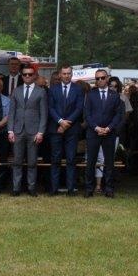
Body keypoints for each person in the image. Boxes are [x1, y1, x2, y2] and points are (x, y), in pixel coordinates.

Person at [8, 65, 48, 197]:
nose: (27, 76)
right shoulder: (16, 91)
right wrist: (10, 130)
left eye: (30, 74)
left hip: (34, 131)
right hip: (18, 130)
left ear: (34, 75)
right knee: (17, 161)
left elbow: (44, 114)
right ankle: (16, 188)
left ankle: (31, 188)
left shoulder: (41, 92)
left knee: (32, 162)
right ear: (22, 75)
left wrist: (41, 132)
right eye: (25, 74)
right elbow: (11, 112)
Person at [84, 69, 124, 197]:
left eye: (102, 77)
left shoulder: (115, 95)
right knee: (91, 161)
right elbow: (87, 114)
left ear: (107, 78)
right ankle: (89, 189)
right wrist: (96, 128)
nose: (100, 80)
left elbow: (118, 114)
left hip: (109, 133)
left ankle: (109, 189)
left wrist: (109, 128)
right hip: (93, 132)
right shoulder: (90, 94)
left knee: (109, 162)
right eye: (97, 78)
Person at [48, 65, 83, 196]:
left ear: (72, 74)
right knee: (55, 159)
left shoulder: (78, 89)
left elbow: (79, 108)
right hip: (56, 128)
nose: (67, 76)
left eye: (69, 73)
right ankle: (54, 189)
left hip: (72, 129)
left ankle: (71, 189)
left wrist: (66, 123)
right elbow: (50, 108)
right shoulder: (53, 89)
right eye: (64, 73)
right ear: (60, 75)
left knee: (71, 159)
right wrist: (60, 121)